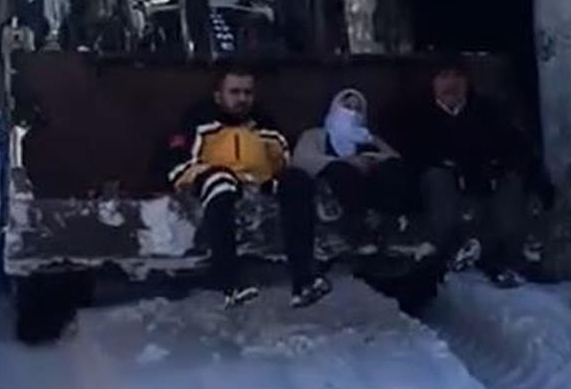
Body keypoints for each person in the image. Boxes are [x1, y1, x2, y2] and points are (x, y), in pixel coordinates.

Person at [164, 64, 332, 309]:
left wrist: (272, 173)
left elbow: (281, 157)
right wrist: (201, 175)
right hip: (216, 179)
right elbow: (176, 162)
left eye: (247, 92)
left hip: (259, 180)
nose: (242, 99)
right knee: (220, 185)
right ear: (218, 95)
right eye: (235, 92)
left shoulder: (263, 122)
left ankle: (304, 280)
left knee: (297, 181)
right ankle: (230, 282)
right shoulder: (197, 121)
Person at [399, 56, 539, 288]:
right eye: (444, 77)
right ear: (433, 83)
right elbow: (412, 152)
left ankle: (506, 256)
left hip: (484, 177)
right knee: (439, 181)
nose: (451, 84)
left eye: (457, 77)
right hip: (439, 181)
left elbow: (515, 146)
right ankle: (445, 251)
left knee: (510, 185)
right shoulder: (416, 114)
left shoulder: (486, 110)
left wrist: (498, 167)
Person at [293, 88, 411, 249]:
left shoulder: (370, 139)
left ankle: (388, 227)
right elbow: (302, 159)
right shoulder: (315, 135)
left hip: (371, 185)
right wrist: (347, 161)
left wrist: (371, 159)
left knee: (393, 170)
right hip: (336, 184)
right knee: (342, 170)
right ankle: (358, 231)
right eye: (347, 107)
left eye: (357, 109)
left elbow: (395, 158)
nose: (352, 113)